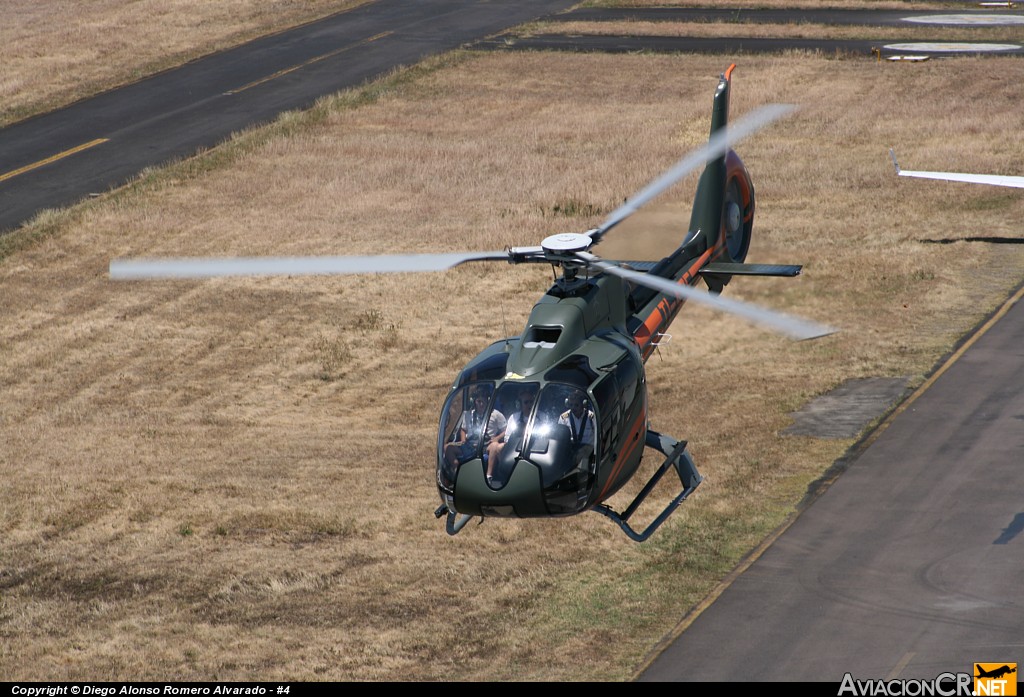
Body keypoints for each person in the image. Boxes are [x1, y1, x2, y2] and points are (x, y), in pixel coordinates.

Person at [444, 387, 506, 468]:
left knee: (495, 447)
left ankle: (488, 476)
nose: (481, 404)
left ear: (487, 401)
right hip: (469, 445)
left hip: (486, 445)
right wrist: (463, 440)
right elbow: (463, 429)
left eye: (483, 401)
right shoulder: (468, 414)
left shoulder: (496, 414)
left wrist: (497, 438)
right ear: (474, 402)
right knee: (447, 448)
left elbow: (506, 430)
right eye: (478, 401)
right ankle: (457, 470)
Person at [486, 386, 537, 480]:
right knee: (495, 446)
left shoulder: (541, 416)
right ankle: (496, 475)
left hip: (534, 446)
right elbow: (507, 438)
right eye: (526, 402)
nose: (529, 404)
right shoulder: (514, 418)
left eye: (531, 402)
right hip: (514, 446)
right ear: (520, 405)